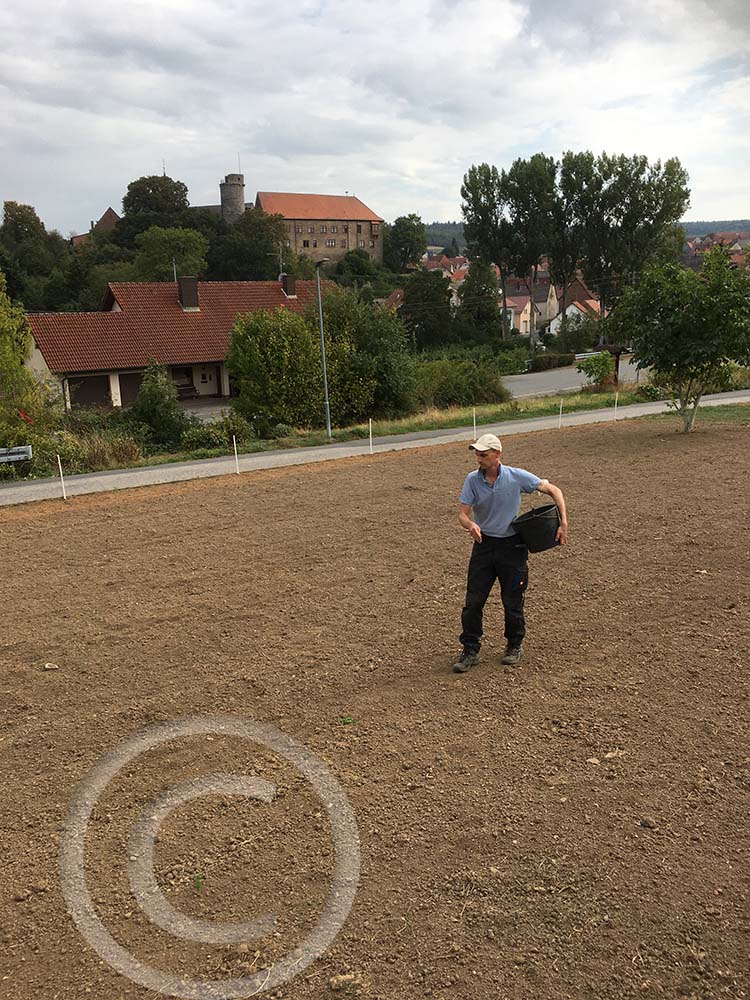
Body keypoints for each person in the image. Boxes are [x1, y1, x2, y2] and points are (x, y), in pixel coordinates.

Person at [453, 433, 568, 673]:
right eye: (477, 454)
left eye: (483, 455)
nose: (478, 458)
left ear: (497, 455)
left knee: (512, 600)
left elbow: (554, 490)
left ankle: (514, 645)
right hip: (483, 547)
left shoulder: (516, 477)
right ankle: (470, 650)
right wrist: (470, 524)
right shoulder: (472, 480)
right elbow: (463, 513)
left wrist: (563, 523)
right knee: (473, 602)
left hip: (512, 548)